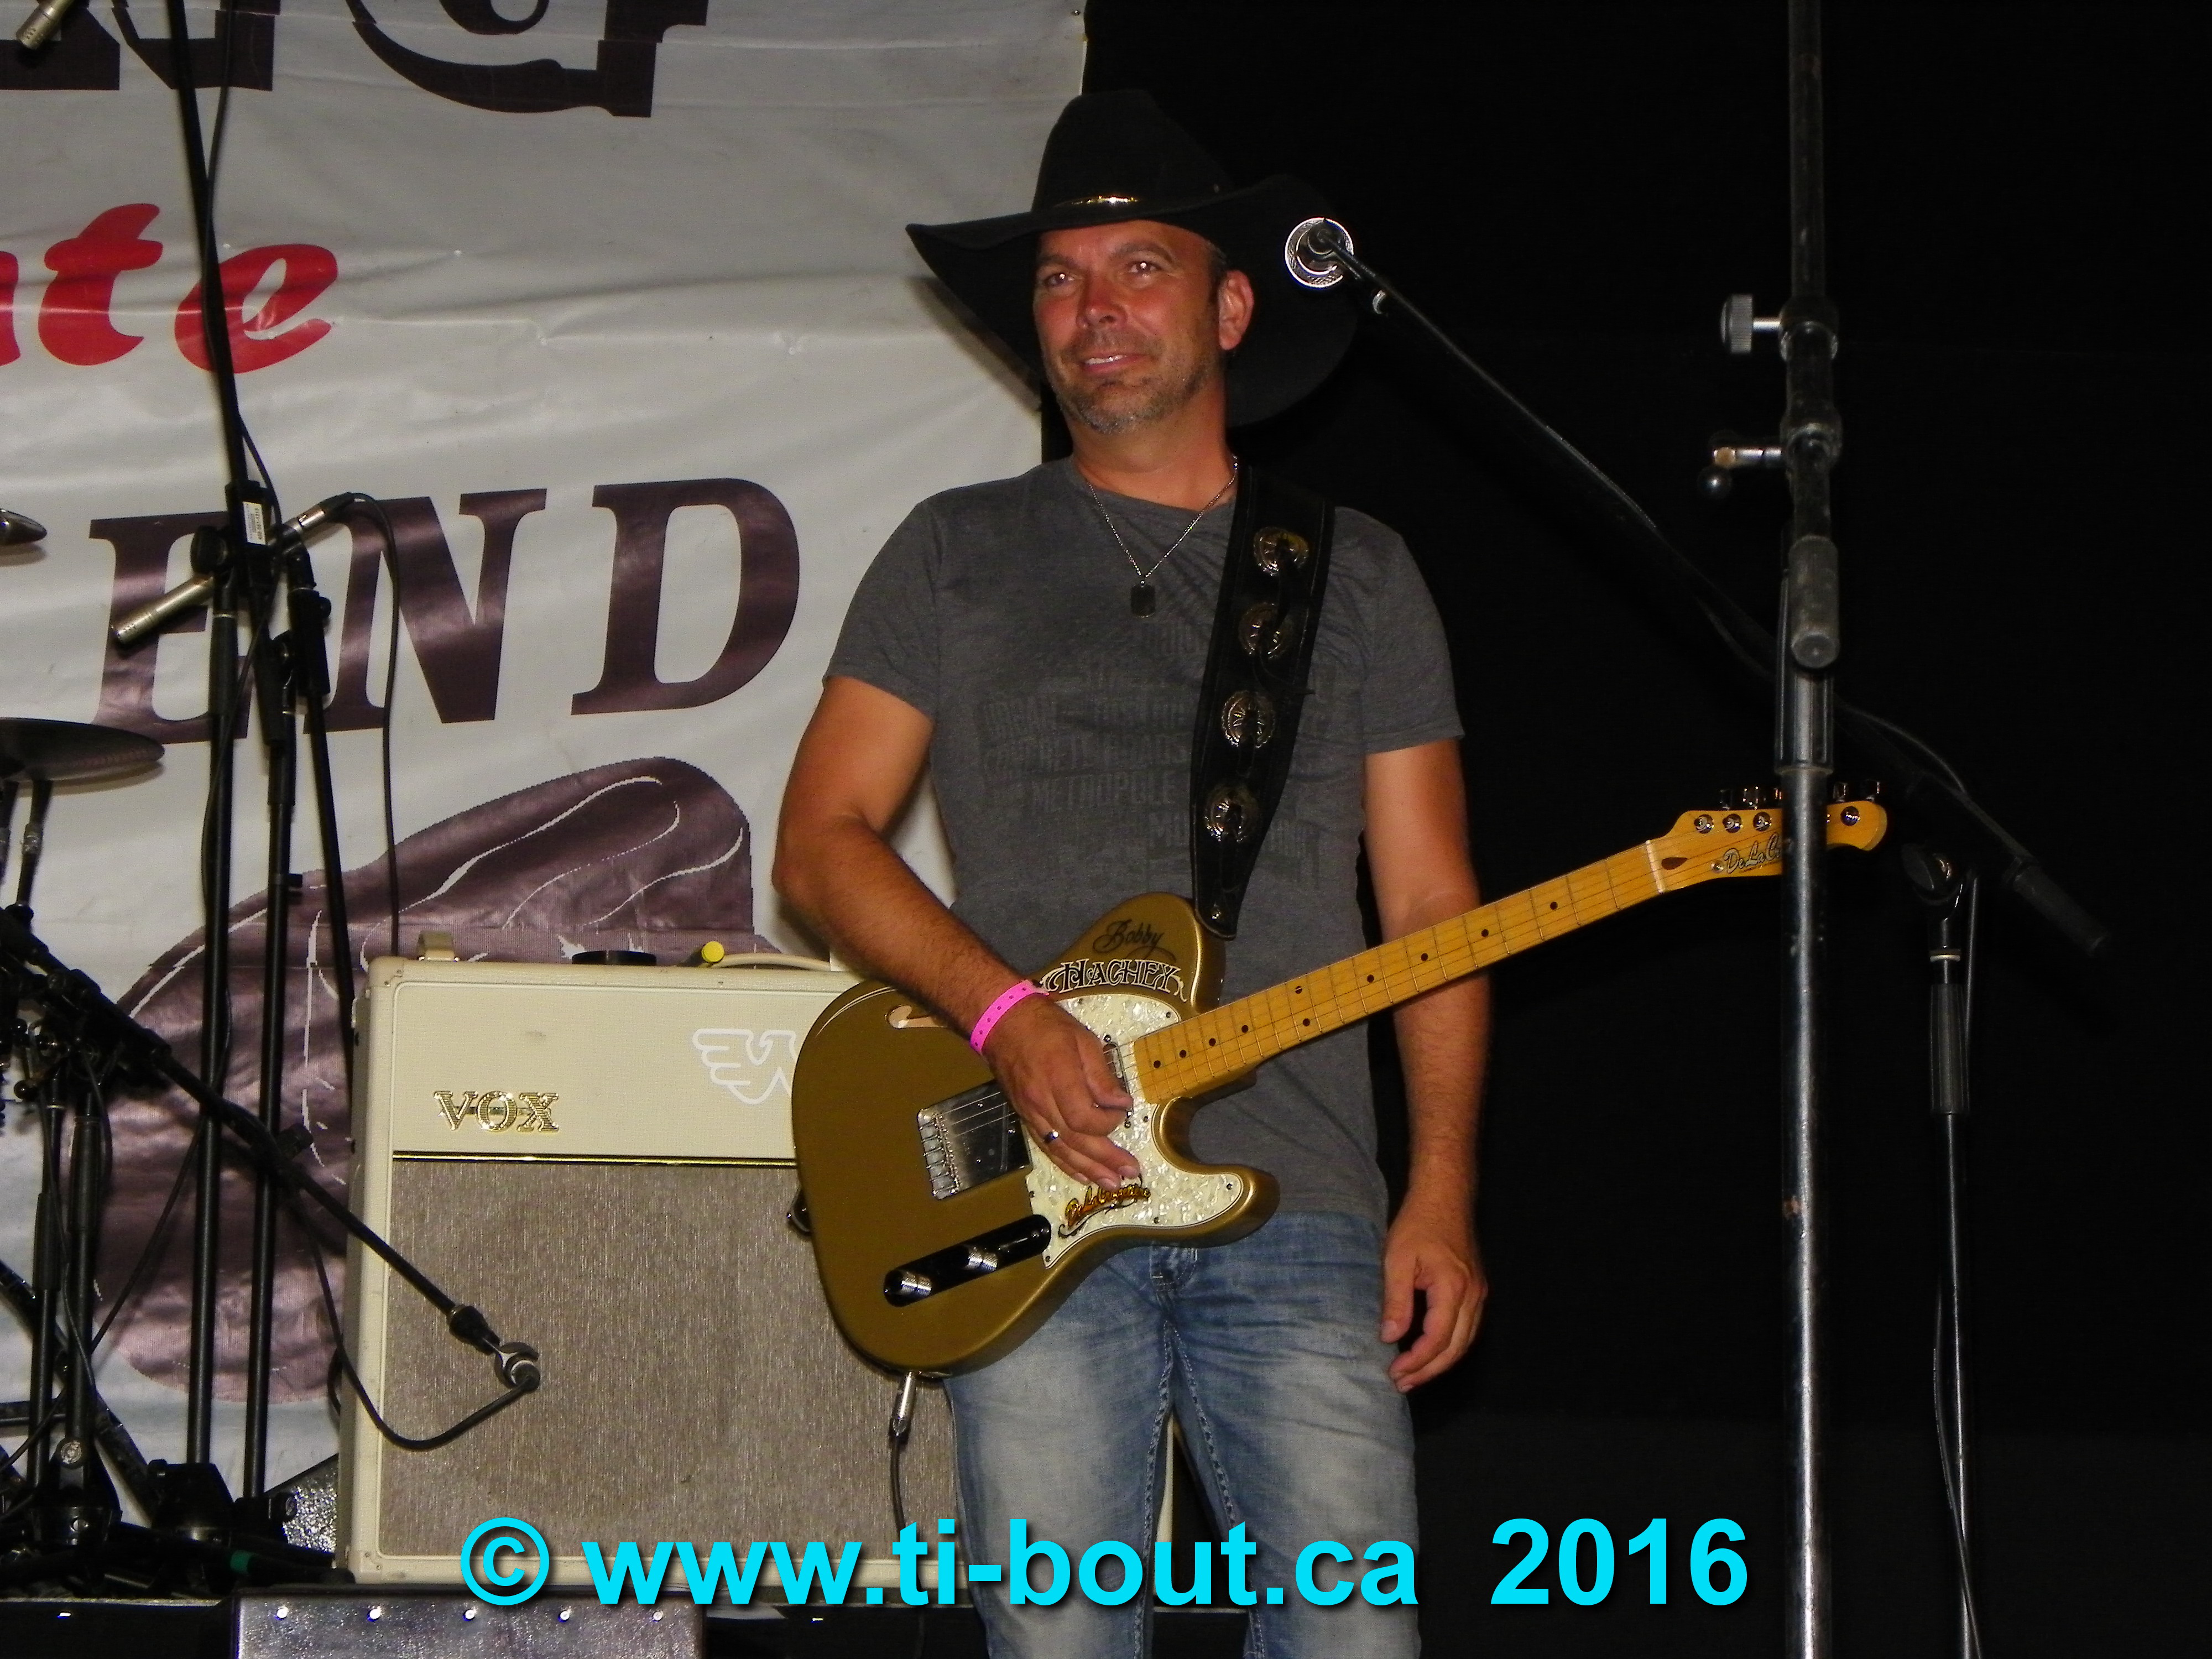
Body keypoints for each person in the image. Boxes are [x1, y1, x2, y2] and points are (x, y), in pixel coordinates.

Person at [775, 91, 1488, 1657]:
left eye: (1139, 268)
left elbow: (1434, 912)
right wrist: (1002, 1015)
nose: (1093, 309)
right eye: (1059, 279)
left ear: (1232, 307)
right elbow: (821, 839)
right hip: (1032, 1197)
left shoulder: (1358, 574)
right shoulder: (953, 549)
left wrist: (1440, 1192)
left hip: (1303, 1202)